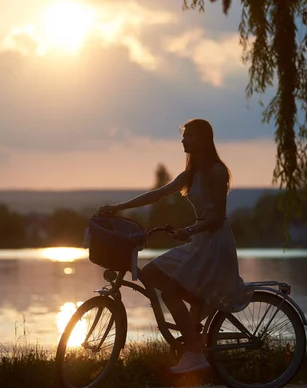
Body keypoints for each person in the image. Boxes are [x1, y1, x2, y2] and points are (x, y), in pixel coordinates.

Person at [98, 118, 252, 374]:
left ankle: (194, 351)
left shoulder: (217, 171)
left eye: (189, 136)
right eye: (184, 135)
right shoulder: (192, 174)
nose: (183, 140)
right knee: (148, 274)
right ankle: (199, 312)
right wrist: (118, 208)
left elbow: (218, 217)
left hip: (213, 243)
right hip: (199, 240)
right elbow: (157, 194)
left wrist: (190, 230)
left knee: (169, 293)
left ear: (203, 139)